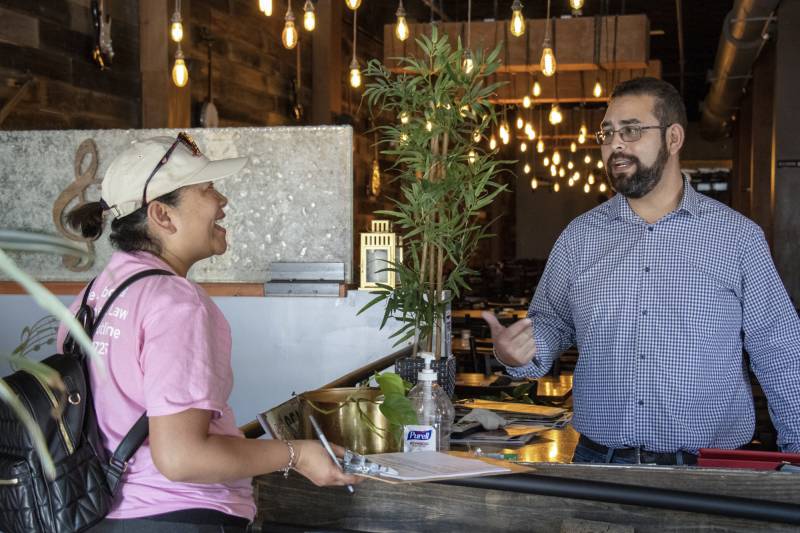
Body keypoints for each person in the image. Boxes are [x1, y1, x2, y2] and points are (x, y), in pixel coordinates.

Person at [483, 77, 800, 465]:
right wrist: (518, 354)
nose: (615, 144)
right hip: (599, 465)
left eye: (631, 130)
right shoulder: (580, 237)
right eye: (608, 132)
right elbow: (551, 322)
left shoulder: (737, 238)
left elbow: (781, 350)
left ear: (674, 138)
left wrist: (796, 453)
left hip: (707, 471)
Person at [58, 133, 359, 532]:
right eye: (207, 189)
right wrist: (297, 455)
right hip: (179, 517)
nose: (222, 201)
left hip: (98, 516)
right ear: (162, 216)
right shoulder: (177, 304)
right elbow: (182, 458)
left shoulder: (87, 300)